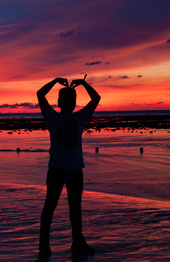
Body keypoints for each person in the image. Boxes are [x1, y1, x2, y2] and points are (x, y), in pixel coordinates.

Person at [37, 77, 101, 258]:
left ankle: (77, 242)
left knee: (75, 207)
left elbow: (96, 99)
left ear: (75, 103)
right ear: (58, 103)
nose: (69, 103)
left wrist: (84, 84)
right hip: (56, 168)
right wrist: (55, 81)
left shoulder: (79, 117)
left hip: (75, 169)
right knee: (50, 205)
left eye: (72, 101)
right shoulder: (52, 117)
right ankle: (43, 242)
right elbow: (40, 94)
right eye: (65, 100)